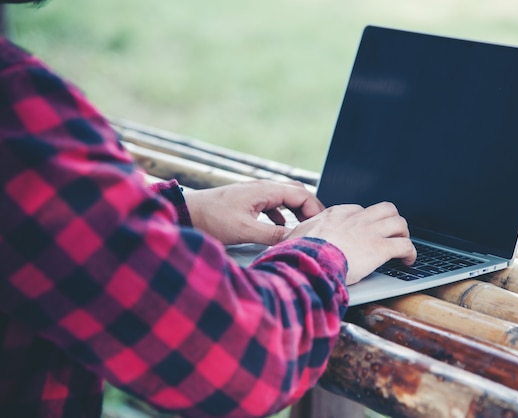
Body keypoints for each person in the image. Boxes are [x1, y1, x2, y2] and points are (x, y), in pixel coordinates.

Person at [0, 1, 417, 417]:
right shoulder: (17, 111)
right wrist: (328, 252)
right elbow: (244, 359)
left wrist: (184, 211)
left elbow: (43, 230)